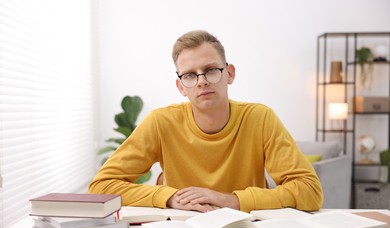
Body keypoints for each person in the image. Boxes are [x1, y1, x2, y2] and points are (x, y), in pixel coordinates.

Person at [88, 30, 323, 213]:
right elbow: (101, 186)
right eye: (190, 75)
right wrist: (168, 197)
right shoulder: (161, 122)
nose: (201, 82)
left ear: (229, 74)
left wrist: (232, 200)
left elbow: (310, 191)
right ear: (181, 86)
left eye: (210, 70)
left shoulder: (260, 118)